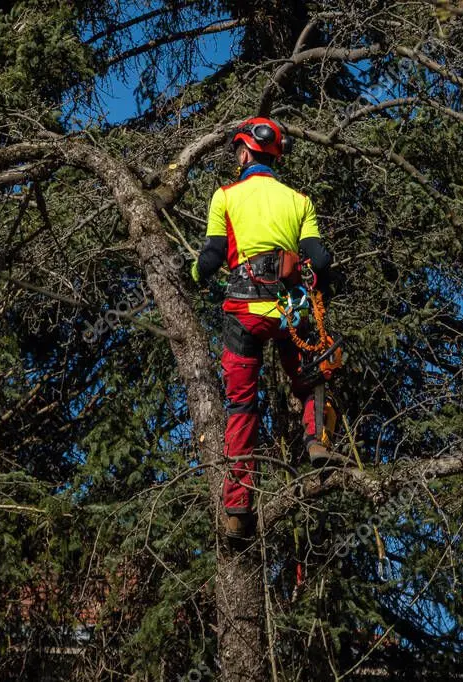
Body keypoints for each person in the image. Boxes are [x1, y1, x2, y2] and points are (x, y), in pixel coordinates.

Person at [191, 116, 335, 540]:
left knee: (241, 406)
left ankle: (237, 507)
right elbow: (320, 262)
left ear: (244, 153)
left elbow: (213, 257)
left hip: (244, 312)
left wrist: (193, 275)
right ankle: (317, 441)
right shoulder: (299, 200)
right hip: (290, 312)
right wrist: (320, 285)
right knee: (311, 381)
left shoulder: (225, 196)